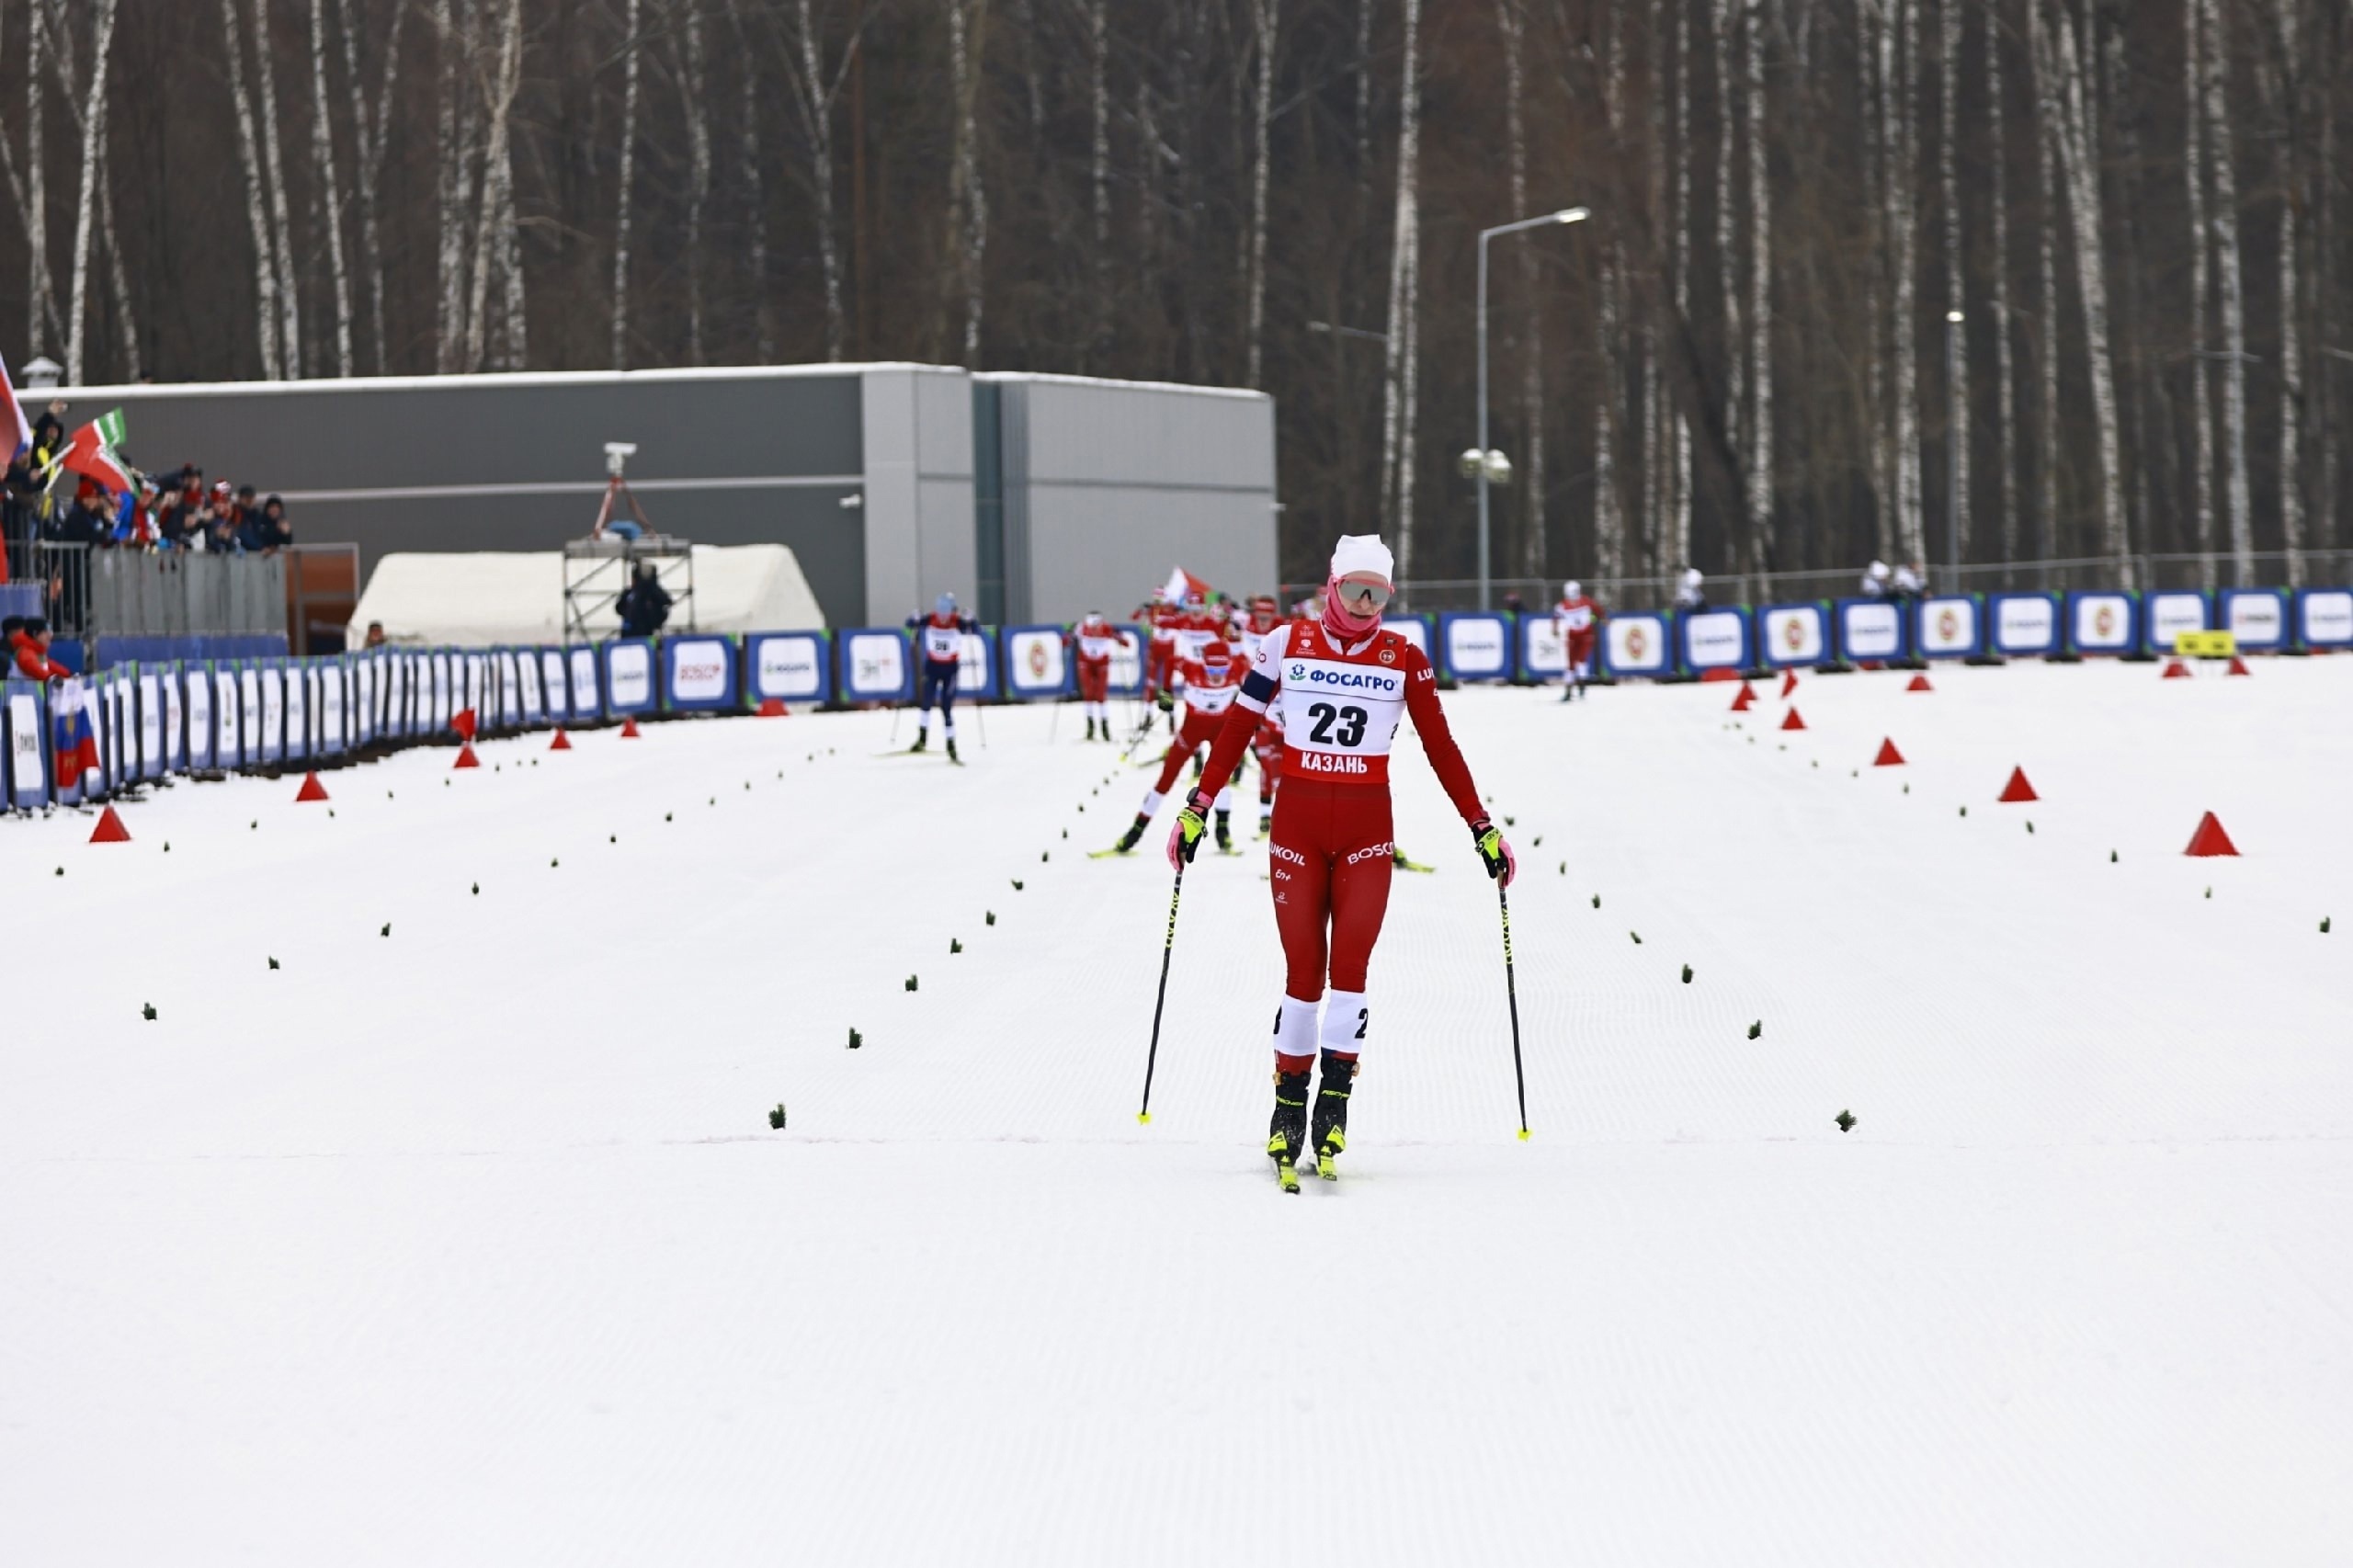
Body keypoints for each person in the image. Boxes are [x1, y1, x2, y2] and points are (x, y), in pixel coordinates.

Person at [1170, 534, 1517, 1191]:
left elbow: (1441, 747)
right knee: (1303, 975)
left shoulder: (1403, 658)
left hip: (1366, 833)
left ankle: (1333, 1109)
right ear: (1330, 585)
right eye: (1354, 589)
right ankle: (1287, 1110)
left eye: (1378, 593)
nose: (1364, 605)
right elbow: (1236, 730)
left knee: (1350, 971)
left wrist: (1482, 828)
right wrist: (1198, 804)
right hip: (1297, 828)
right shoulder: (1283, 645)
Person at [1108, 635, 1246, 856]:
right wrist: (1166, 692)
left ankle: (1223, 832)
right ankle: (1135, 832)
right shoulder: (1191, 668)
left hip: (1221, 729)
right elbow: (1170, 661)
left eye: (1222, 671)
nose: (1217, 677)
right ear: (1204, 664)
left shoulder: (1239, 667)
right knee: (1167, 777)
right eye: (1212, 671)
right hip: (1191, 730)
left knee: (1221, 779)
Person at [904, 591, 977, 759]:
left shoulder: (957, 622)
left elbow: (975, 630)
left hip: (950, 670)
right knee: (926, 702)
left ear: (952, 611)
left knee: (946, 707)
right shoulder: (930, 619)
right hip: (932, 667)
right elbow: (909, 625)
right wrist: (913, 618)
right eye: (941, 612)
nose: (943, 617)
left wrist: (971, 620)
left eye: (947, 613)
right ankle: (922, 739)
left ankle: (951, 745)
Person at [1067, 611, 1119, 741]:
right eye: (1091, 627)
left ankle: (1104, 727)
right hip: (1086, 662)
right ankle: (1090, 727)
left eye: (1096, 627)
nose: (1094, 630)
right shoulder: (1081, 628)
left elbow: (1125, 642)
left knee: (1101, 694)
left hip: (1102, 662)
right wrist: (1068, 635)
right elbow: (1065, 640)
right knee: (1088, 693)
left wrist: (1118, 636)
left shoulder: (1107, 628)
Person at [1552, 579, 1605, 701]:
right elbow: (1555, 616)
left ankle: (1582, 685)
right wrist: (1555, 629)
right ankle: (1569, 690)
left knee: (1581, 659)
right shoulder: (1562, 605)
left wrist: (1603, 618)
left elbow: (1598, 610)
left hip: (1586, 634)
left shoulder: (1586, 601)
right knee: (1570, 663)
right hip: (1572, 635)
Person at [616, 562, 672, 638]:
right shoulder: (630, 593)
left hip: (647, 633)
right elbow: (619, 608)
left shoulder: (652, 592)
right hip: (631, 633)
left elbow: (666, 603)